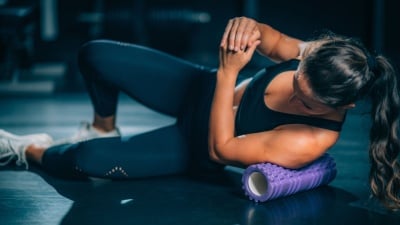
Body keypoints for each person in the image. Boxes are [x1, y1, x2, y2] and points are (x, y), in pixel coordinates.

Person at [1, 17, 399, 210]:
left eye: (307, 102)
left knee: (85, 159)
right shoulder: (316, 58)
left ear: (342, 105)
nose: (296, 96)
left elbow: (220, 151)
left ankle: (28, 150)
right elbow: (272, 39)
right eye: (297, 80)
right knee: (95, 53)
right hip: (199, 87)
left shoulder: (312, 139)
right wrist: (251, 28)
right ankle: (103, 126)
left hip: (197, 146)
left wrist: (228, 73)